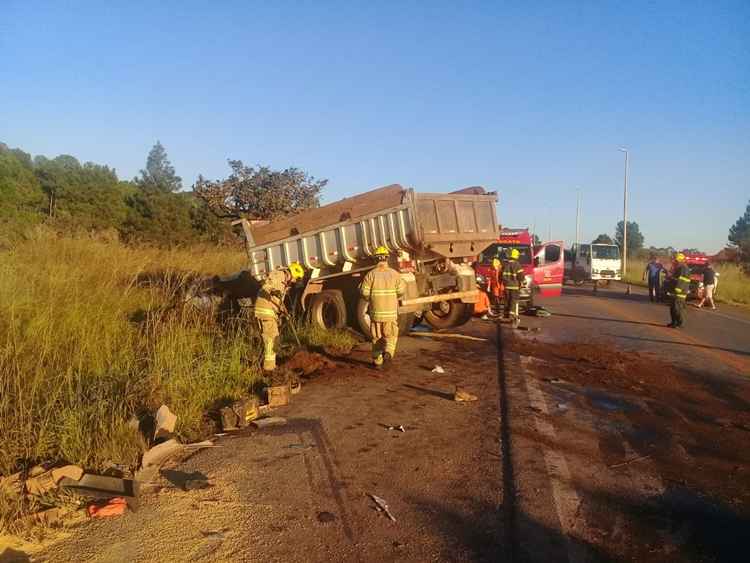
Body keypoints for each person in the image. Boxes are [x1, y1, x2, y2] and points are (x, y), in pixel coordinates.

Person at [360, 246, 405, 369]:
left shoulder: (370, 275)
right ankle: (389, 353)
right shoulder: (394, 274)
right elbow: (401, 291)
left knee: (377, 338)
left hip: (376, 314)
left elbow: (364, 293)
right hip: (390, 314)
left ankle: (377, 362)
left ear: (375, 259)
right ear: (387, 258)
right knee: (391, 336)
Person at [254, 262, 305, 371]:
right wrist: (273, 290)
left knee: (273, 338)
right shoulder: (279, 274)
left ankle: (267, 363)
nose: (294, 282)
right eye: (295, 279)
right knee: (271, 338)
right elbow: (267, 285)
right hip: (265, 310)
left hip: (270, 311)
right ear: (291, 274)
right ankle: (269, 368)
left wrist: (285, 312)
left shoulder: (285, 284)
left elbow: (278, 301)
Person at [502, 248, 525, 327]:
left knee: (507, 301)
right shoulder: (517, 265)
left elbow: (501, 276)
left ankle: (506, 315)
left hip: (506, 286)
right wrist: (522, 282)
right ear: (516, 256)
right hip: (514, 287)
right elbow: (521, 276)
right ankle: (512, 316)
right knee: (513, 301)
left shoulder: (505, 264)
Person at [667, 253, 690, 329]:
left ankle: (679, 323)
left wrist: (677, 290)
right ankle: (674, 322)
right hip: (674, 292)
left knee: (677, 309)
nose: (674, 261)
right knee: (672, 308)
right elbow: (675, 279)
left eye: (676, 260)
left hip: (680, 293)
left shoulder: (684, 268)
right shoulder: (678, 268)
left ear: (680, 260)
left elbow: (682, 280)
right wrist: (670, 277)